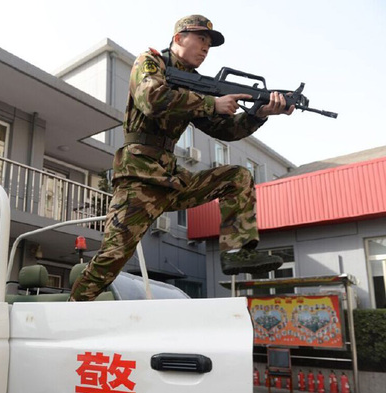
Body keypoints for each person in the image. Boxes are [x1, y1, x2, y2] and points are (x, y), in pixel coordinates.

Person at [70, 14, 294, 302]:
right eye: (201, 39)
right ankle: (73, 308)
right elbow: (151, 99)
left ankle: (237, 253)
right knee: (110, 259)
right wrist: (212, 103)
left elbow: (224, 131)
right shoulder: (151, 62)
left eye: (209, 45)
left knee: (238, 177)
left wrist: (259, 113)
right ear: (178, 38)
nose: (205, 49)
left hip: (172, 180)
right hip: (139, 179)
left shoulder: (196, 83)